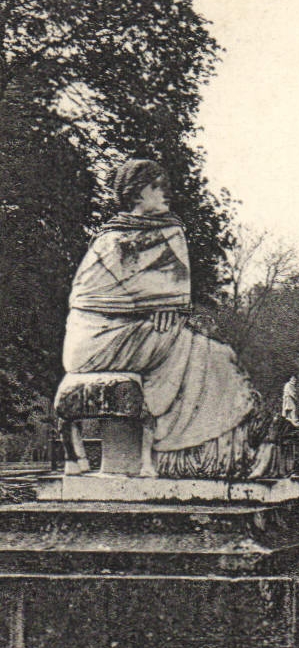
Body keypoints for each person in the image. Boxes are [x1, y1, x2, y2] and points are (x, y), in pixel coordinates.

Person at [58, 159, 276, 478]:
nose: (165, 194)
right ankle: (189, 454)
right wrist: (154, 304)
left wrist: (167, 306)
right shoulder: (109, 240)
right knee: (209, 352)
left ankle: (211, 453)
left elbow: (175, 292)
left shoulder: (170, 232)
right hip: (95, 339)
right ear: (135, 194)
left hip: (139, 331)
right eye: (156, 187)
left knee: (210, 350)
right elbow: (85, 297)